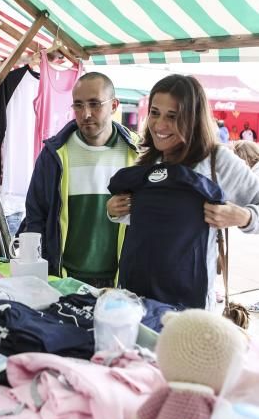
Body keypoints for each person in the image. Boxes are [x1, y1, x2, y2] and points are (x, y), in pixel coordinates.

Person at [107, 74, 259, 310]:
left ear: (193, 118)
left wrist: (243, 217)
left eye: (173, 116)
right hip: (134, 298)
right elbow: (148, 219)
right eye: (155, 113)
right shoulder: (149, 158)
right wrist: (114, 209)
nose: (159, 125)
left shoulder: (218, 161)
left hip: (188, 305)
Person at [22, 72, 138, 287]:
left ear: (114, 106)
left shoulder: (138, 154)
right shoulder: (53, 154)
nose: (86, 113)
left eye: (95, 104)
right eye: (78, 105)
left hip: (120, 280)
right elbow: (35, 216)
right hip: (62, 277)